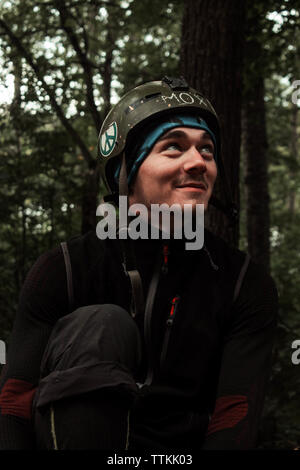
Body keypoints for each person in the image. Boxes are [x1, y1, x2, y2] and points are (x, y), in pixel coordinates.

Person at [0, 77, 278, 450]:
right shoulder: (64, 268)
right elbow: (14, 403)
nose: (198, 162)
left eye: (207, 150)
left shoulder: (243, 282)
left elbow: (236, 413)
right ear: (126, 172)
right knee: (101, 323)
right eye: (173, 147)